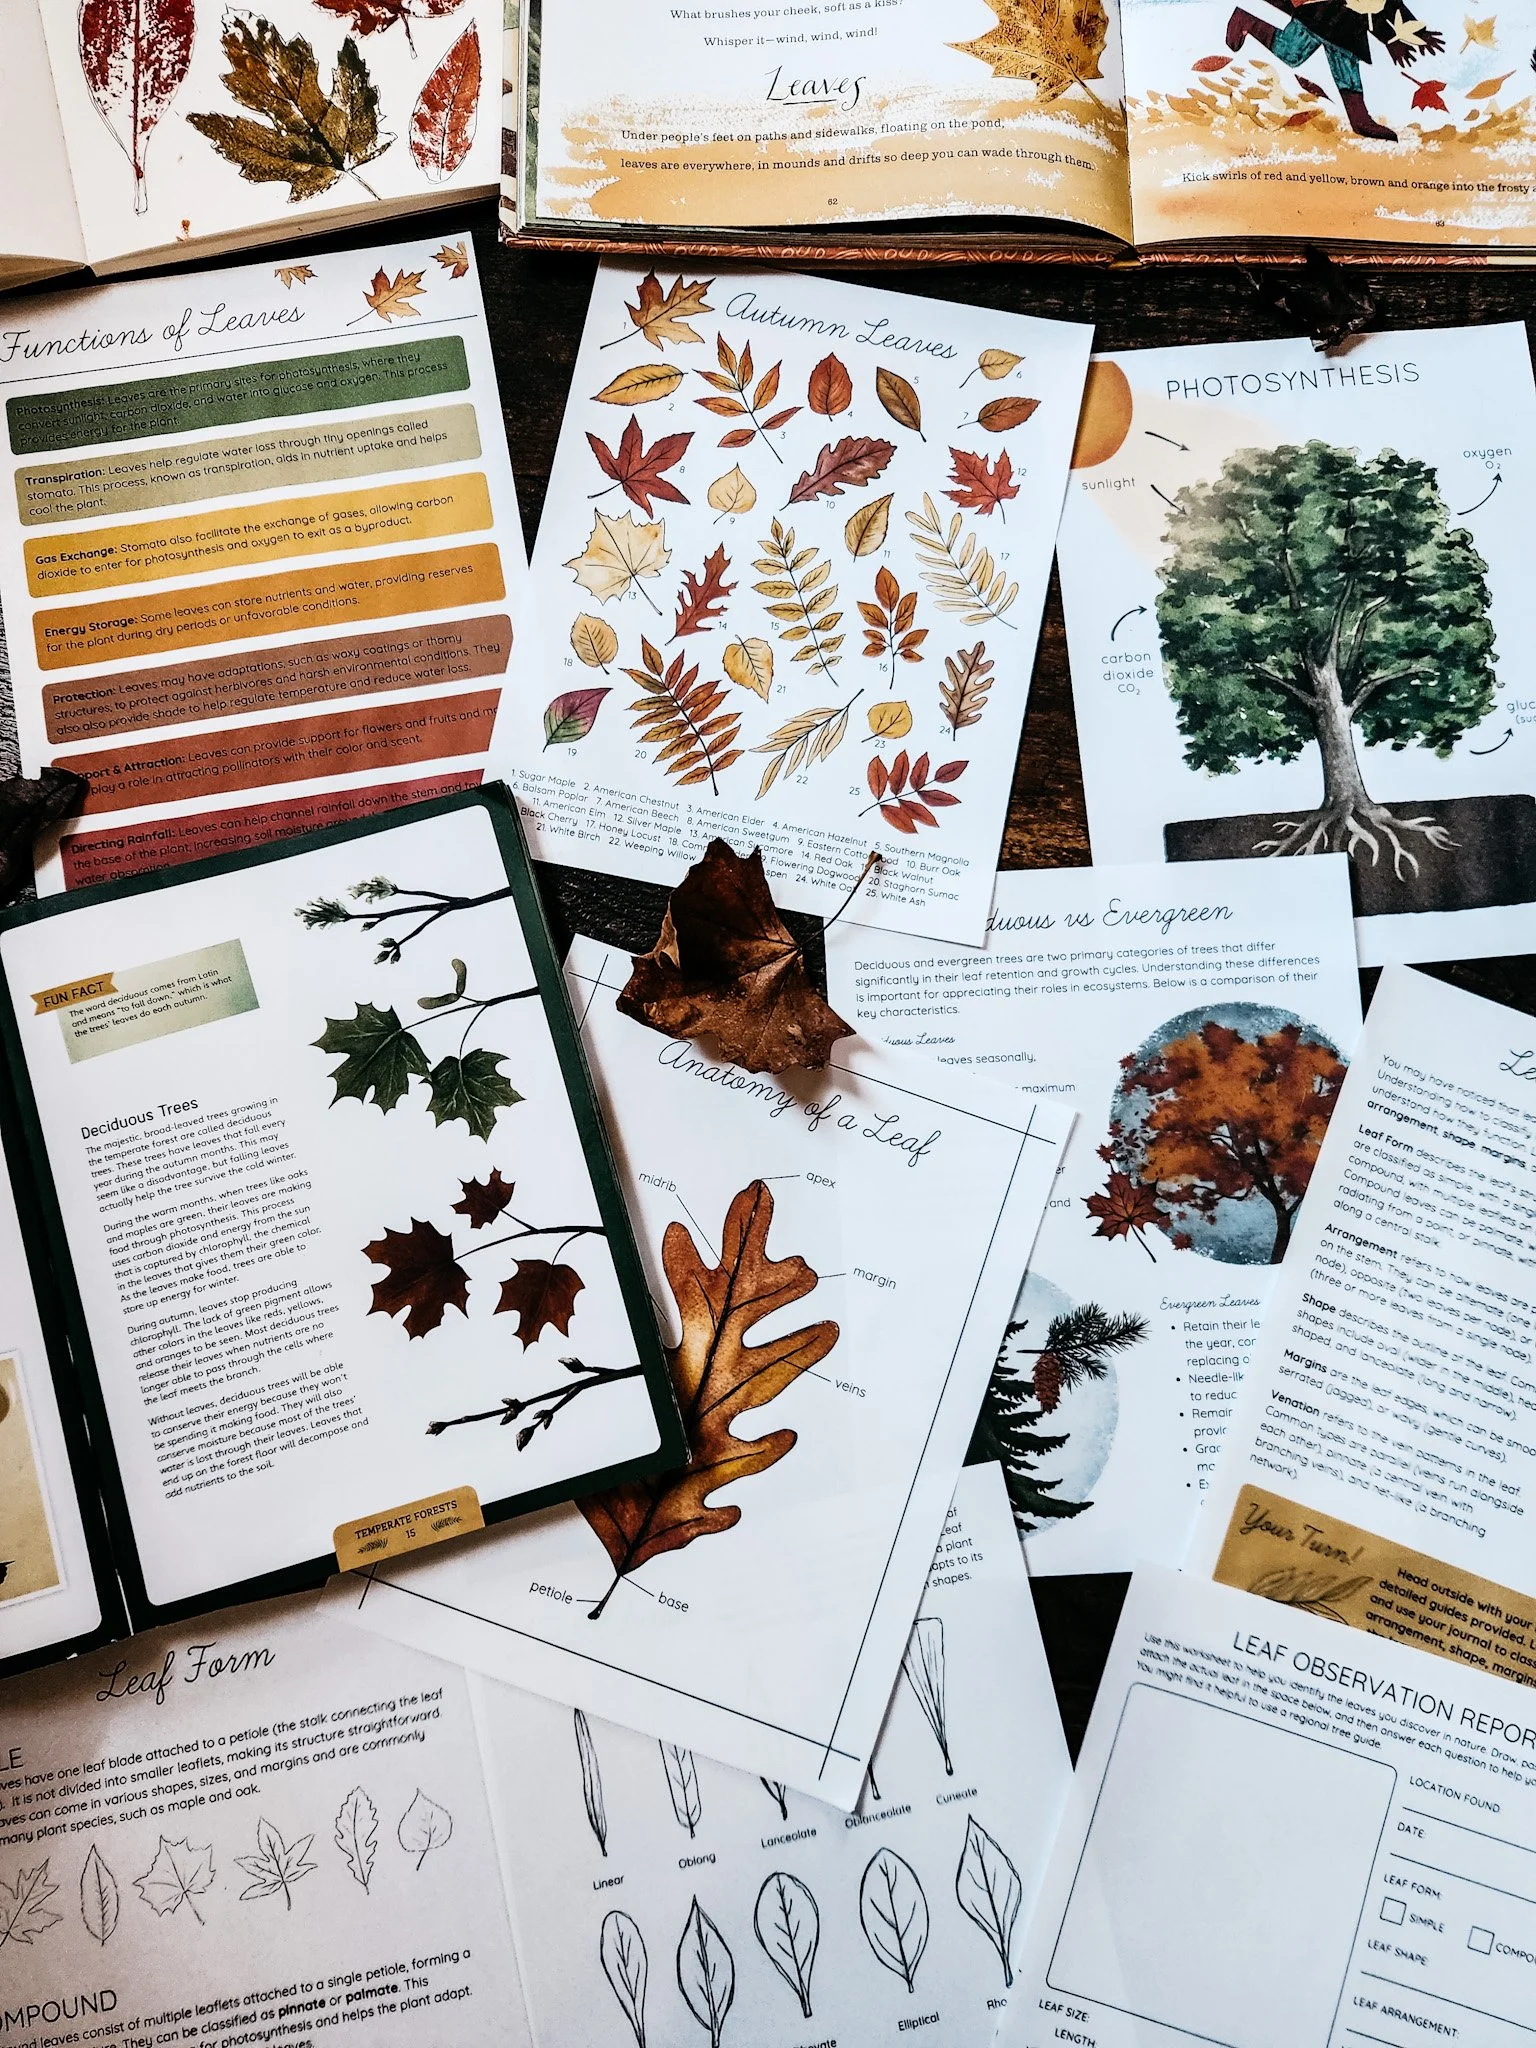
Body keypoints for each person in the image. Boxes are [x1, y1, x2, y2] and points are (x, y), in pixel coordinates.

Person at [1224, 2, 1446, 139]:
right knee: (1317, 50)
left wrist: (1412, 33)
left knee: (1310, 52)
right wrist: (1392, 38)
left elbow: (1385, 3)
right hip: (1325, 9)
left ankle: (1359, 117)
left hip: (1341, 15)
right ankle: (1359, 117)